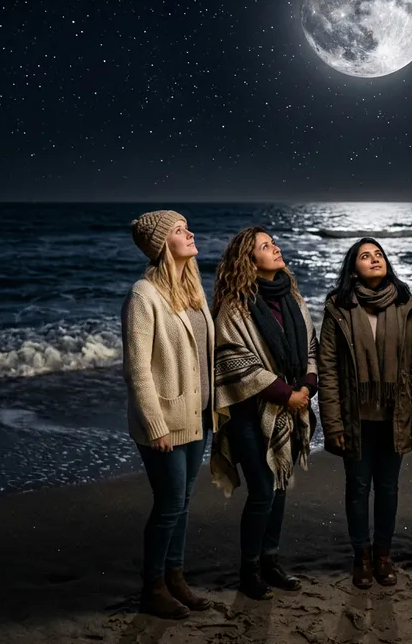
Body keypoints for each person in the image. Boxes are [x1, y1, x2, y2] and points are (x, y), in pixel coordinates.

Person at [210, 227, 318, 601]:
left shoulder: (293, 298)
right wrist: (286, 394)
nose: (276, 248)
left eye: (274, 243)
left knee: (281, 485)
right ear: (249, 259)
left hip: (291, 404)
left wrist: (306, 388)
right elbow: (233, 360)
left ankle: (271, 561)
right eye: (265, 246)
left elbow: (312, 349)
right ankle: (249, 569)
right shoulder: (234, 306)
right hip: (248, 412)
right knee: (262, 490)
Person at [318, 238, 412, 589]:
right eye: (365, 256)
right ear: (354, 268)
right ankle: (361, 557)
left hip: (394, 415)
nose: (374, 259)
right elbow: (329, 369)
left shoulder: (404, 304)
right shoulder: (338, 307)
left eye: (378, 254)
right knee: (357, 488)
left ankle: (383, 556)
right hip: (356, 416)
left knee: (388, 488)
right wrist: (333, 422)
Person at [122, 210, 215, 619]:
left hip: (199, 416)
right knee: (170, 503)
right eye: (179, 230)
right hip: (165, 422)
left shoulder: (193, 291)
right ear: (162, 244)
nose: (190, 232)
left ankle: (175, 577)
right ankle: (153, 586)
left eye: (186, 226)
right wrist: (155, 423)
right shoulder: (144, 295)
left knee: (185, 500)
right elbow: (137, 368)